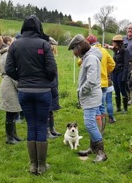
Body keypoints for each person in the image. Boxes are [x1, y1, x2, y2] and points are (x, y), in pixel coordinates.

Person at [5, 15, 57, 175]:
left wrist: (21, 78)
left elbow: (8, 69)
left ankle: (33, 165)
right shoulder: (43, 44)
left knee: (31, 125)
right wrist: (44, 80)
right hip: (42, 91)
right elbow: (52, 70)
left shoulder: (15, 45)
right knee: (41, 126)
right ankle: (42, 165)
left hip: (24, 91)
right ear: (38, 27)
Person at [68, 34, 107, 163]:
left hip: (91, 96)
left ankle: (101, 152)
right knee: (92, 123)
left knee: (89, 124)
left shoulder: (90, 58)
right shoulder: (88, 57)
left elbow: (90, 81)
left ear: (79, 47)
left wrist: (81, 91)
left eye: (74, 49)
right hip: (91, 95)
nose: (74, 52)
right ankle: (92, 147)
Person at [86, 35, 115, 133]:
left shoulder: (89, 52)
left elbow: (80, 62)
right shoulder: (104, 51)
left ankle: (98, 129)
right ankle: (102, 128)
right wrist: (105, 72)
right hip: (104, 82)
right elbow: (112, 64)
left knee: (96, 106)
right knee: (102, 105)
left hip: (95, 82)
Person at [0, 36, 22, 144]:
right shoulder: (7, 55)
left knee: (13, 110)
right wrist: (19, 85)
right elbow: (11, 70)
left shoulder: (5, 53)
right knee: (10, 111)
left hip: (8, 82)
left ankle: (14, 135)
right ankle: (10, 137)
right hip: (9, 83)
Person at [47, 37, 62, 139]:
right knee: (47, 109)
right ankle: (47, 131)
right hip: (48, 86)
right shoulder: (46, 58)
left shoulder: (51, 57)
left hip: (53, 86)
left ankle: (52, 128)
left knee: (51, 109)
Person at [110, 35, 129, 114]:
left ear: (117, 42)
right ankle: (118, 107)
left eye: (113, 42)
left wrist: (124, 76)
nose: (112, 43)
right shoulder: (116, 51)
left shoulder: (125, 51)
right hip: (115, 72)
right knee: (116, 90)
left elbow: (126, 64)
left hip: (121, 72)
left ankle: (125, 108)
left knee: (122, 90)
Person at [123, 24, 132, 105]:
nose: (130, 30)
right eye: (129, 28)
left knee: (130, 82)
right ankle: (127, 97)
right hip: (124, 64)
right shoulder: (123, 39)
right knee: (124, 81)